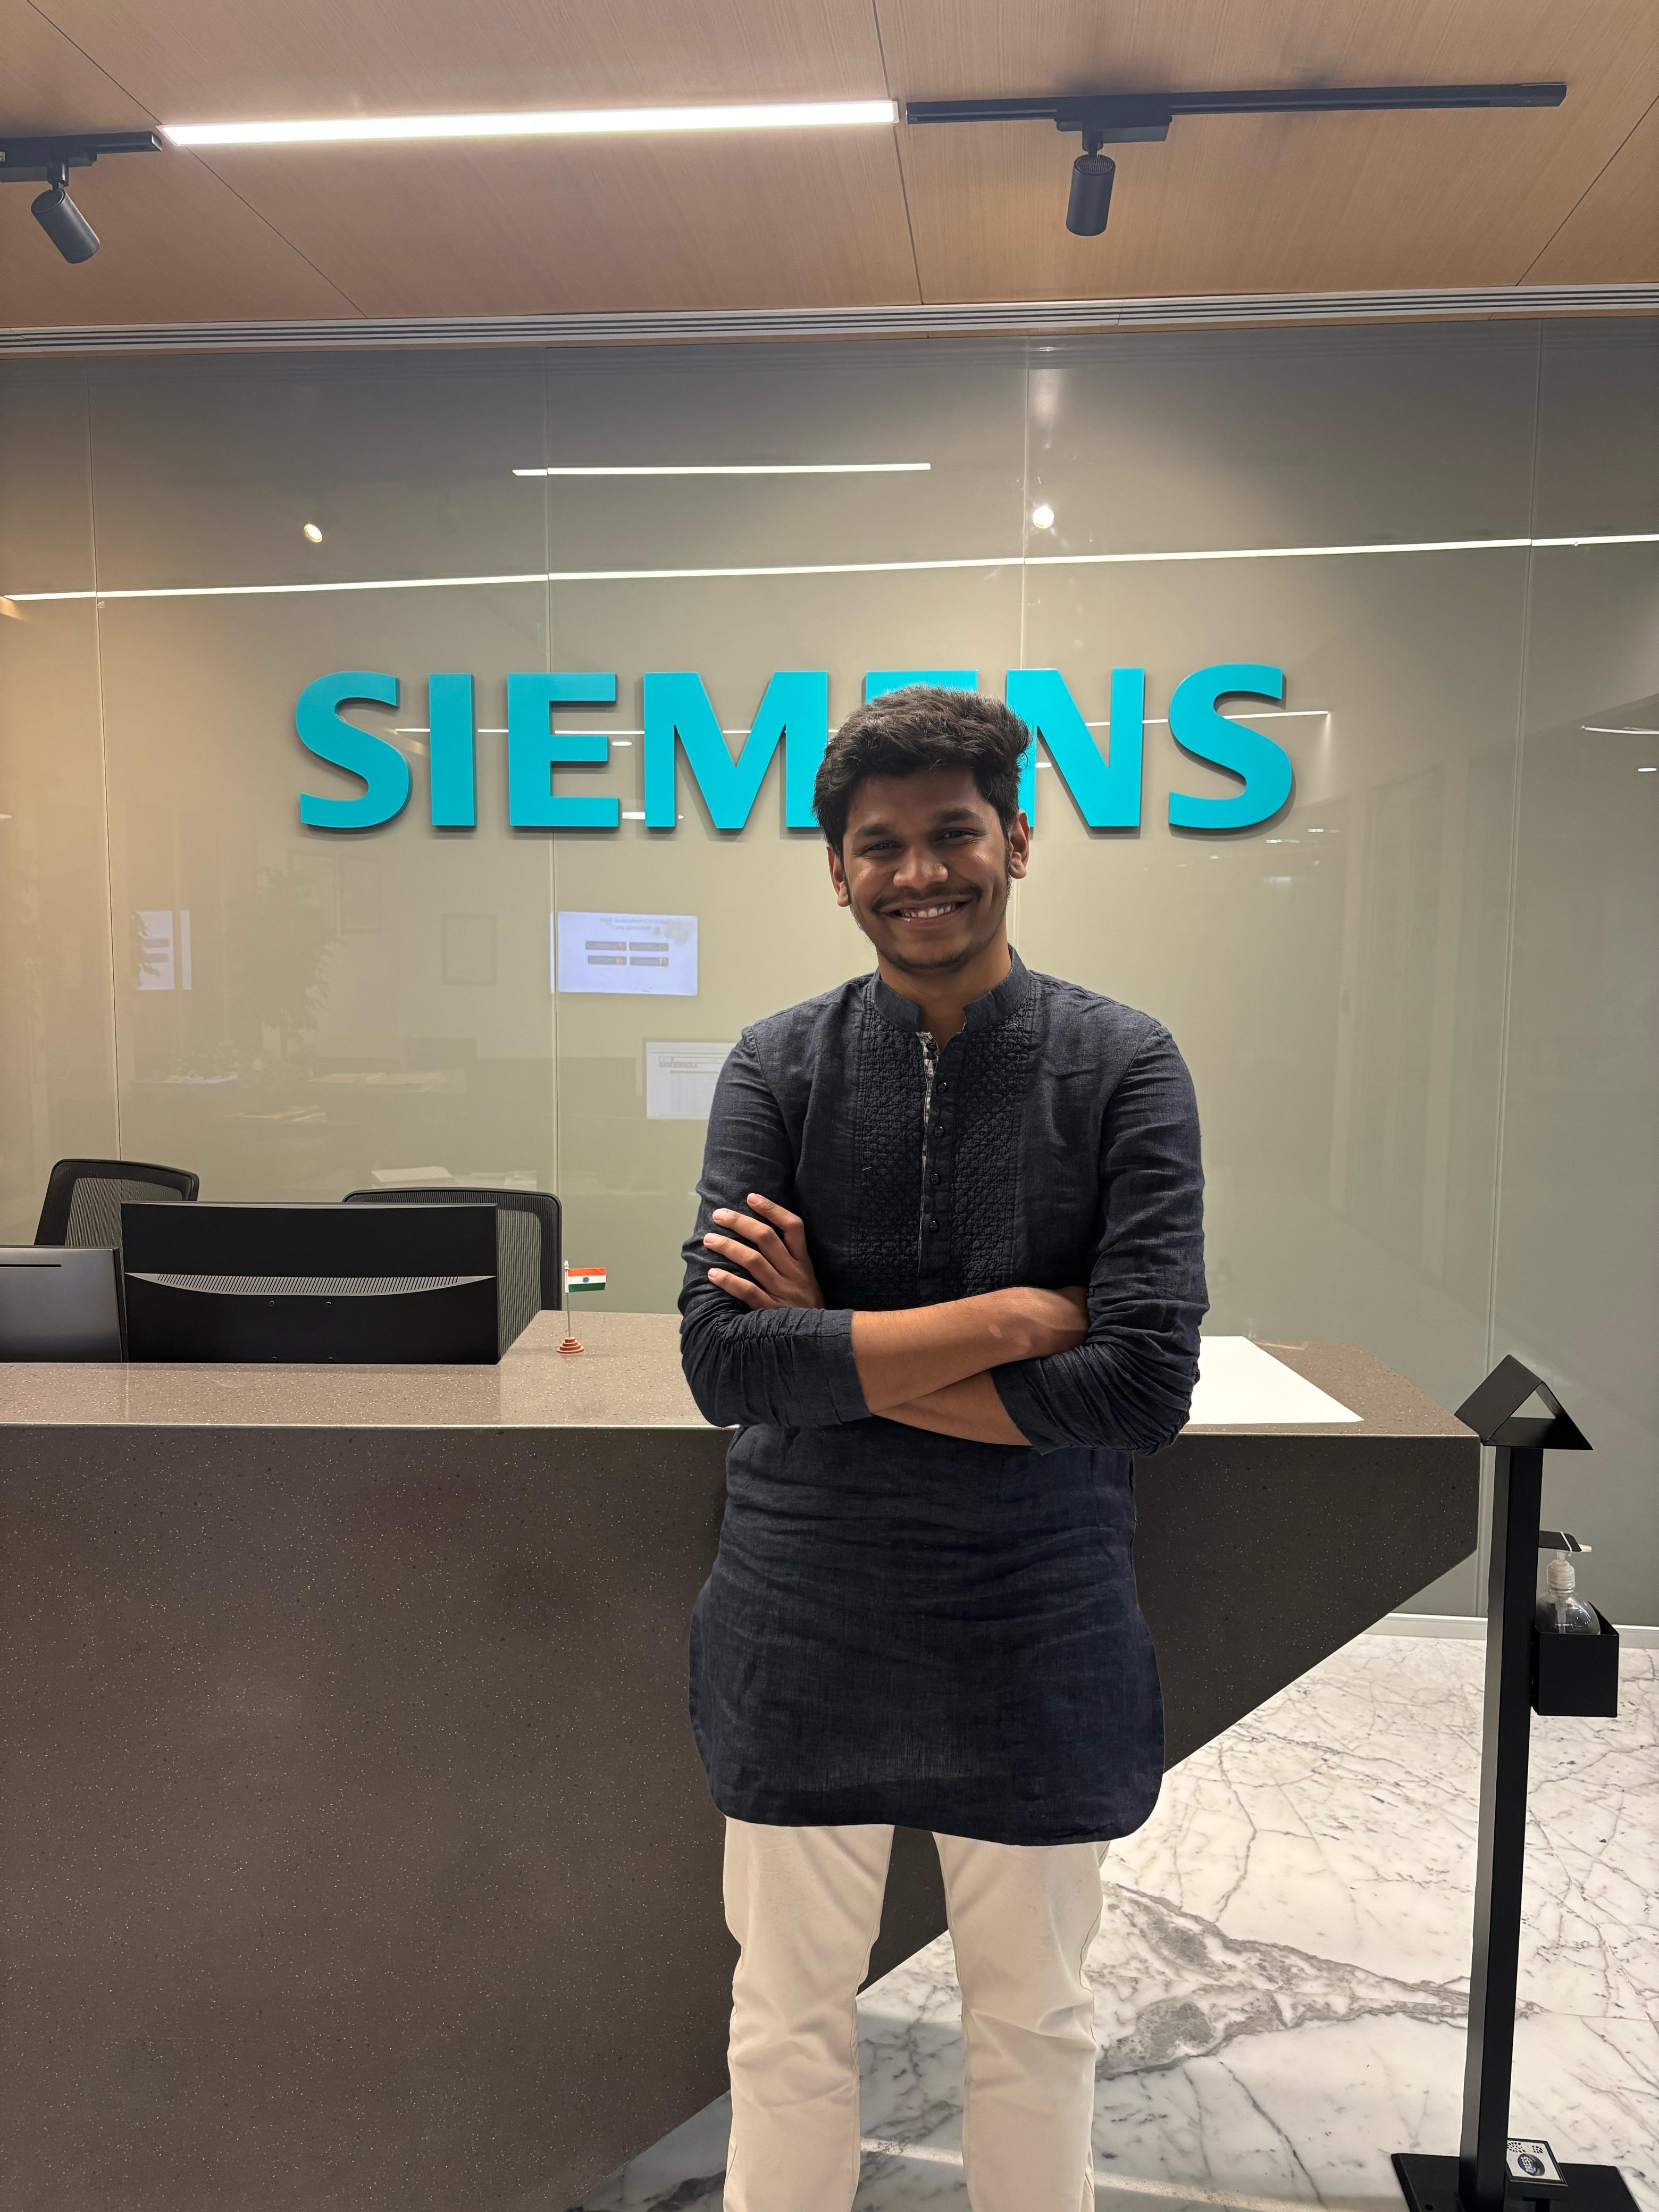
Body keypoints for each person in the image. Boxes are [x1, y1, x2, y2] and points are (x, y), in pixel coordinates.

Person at [678, 685, 1207, 2212]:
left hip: (1035, 1609)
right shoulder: (779, 1065)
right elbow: (726, 1362)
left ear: (1017, 841)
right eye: (881, 845)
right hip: (805, 1608)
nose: (920, 873)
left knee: (1036, 2024)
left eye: (954, 834)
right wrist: (1018, 1318)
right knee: (784, 2023)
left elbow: (1139, 1387)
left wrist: (831, 1343)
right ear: (836, 870)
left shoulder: (1122, 1065)